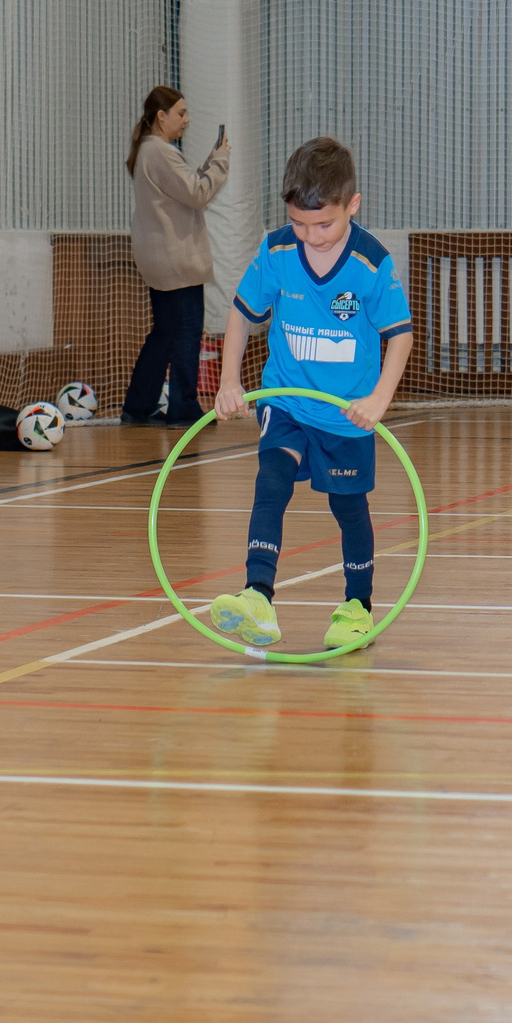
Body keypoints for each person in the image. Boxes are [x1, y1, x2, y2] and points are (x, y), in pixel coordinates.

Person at [209, 138, 415, 652]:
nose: (311, 236)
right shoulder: (277, 250)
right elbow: (240, 312)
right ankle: (257, 595)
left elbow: (401, 335)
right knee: (271, 480)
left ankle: (357, 607)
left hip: (346, 413)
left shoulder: (371, 264)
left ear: (353, 205)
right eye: (299, 224)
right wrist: (230, 381)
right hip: (287, 399)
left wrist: (379, 401)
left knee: (349, 508)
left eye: (324, 224)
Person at [123, 86, 231, 426]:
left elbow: (184, 189)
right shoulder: (160, 152)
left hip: (160, 259)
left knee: (165, 333)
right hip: (176, 260)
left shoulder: (148, 151)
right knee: (185, 333)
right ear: (161, 116)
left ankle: (138, 406)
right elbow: (198, 193)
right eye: (181, 113)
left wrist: (207, 165)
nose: (186, 120)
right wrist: (221, 162)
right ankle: (183, 407)